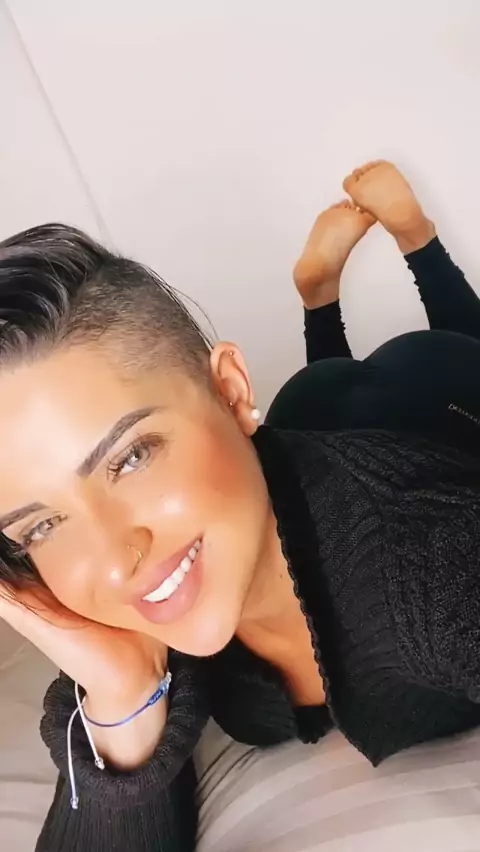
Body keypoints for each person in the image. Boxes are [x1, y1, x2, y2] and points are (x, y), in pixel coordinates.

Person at [0, 161, 479, 852]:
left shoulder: (436, 563)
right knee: (324, 384)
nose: (114, 561)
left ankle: (416, 240)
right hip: (301, 423)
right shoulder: (151, 608)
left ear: (230, 389)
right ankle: (319, 299)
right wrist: (121, 698)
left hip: (436, 398)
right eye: (43, 523)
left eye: (130, 457)